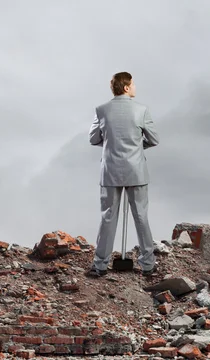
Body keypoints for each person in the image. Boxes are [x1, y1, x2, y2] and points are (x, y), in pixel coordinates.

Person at [87, 71, 159, 277]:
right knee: (141, 216)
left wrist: (111, 145)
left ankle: (100, 265)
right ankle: (147, 264)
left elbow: (93, 139)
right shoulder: (142, 110)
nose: (135, 87)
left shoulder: (101, 110)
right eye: (133, 84)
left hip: (110, 170)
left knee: (108, 217)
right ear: (126, 87)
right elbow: (154, 139)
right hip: (136, 170)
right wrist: (136, 148)